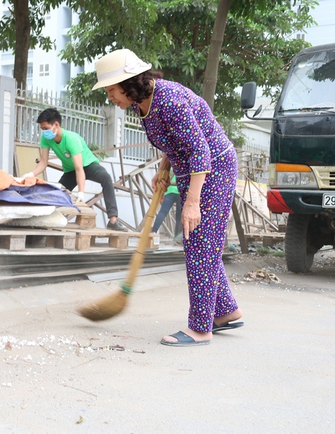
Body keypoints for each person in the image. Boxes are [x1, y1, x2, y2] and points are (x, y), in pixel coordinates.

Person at [93, 48, 243, 346]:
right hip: (190, 169)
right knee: (203, 241)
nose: (110, 97)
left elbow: (200, 150)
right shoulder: (141, 105)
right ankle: (226, 311)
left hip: (214, 168)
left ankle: (200, 328)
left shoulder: (170, 101)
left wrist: (191, 203)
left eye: (111, 90)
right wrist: (165, 167)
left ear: (129, 83)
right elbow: (174, 140)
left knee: (200, 242)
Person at [19, 108, 128, 232]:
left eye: (46, 128)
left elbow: (79, 168)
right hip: (70, 170)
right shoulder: (46, 139)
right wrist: (31, 174)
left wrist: (81, 192)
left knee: (106, 178)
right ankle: (50, 221)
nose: (44, 132)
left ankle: (113, 220)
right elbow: (43, 162)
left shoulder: (71, 139)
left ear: (56, 125)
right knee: (57, 192)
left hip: (87, 165)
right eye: (42, 129)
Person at [151, 171, 181, 242]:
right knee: (179, 217)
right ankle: (176, 237)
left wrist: (161, 193)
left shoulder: (170, 166)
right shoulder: (183, 165)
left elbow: (163, 178)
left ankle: (153, 232)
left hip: (169, 191)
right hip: (180, 191)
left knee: (162, 212)